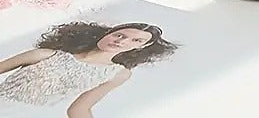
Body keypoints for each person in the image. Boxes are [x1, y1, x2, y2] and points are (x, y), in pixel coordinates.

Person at [0, 21, 177, 116]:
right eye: (119, 35)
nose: (121, 41)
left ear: (140, 48)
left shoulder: (117, 73)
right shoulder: (44, 54)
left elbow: (79, 109)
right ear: (107, 33)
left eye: (135, 41)